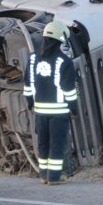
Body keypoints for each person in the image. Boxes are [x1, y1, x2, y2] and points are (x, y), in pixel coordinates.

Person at [24, 21, 78, 185]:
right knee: (56, 143)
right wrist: (73, 109)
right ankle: (54, 177)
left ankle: (44, 175)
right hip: (59, 112)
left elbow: (27, 85)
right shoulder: (65, 62)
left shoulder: (33, 59)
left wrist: (30, 104)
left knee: (43, 143)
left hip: (40, 112)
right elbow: (69, 90)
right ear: (61, 39)